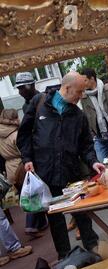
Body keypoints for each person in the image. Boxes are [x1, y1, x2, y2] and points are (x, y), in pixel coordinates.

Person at [17, 72, 106, 260]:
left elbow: (86, 145)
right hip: (45, 173)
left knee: (81, 213)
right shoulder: (39, 104)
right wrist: (27, 159)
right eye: (79, 92)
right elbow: (23, 135)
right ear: (66, 88)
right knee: (56, 220)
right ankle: (64, 257)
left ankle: (92, 247)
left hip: (72, 173)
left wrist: (93, 161)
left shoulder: (78, 115)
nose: (82, 96)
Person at [13, 72, 48, 235]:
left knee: (39, 187)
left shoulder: (43, 99)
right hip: (34, 154)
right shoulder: (26, 105)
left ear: (31, 85)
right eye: (18, 88)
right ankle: (36, 222)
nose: (20, 92)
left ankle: (35, 222)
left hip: (44, 152)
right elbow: (26, 132)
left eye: (22, 88)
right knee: (36, 187)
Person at [79, 68, 108, 163]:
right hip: (98, 138)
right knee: (104, 168)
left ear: (92, 79)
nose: (83, 83)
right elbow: (86, 117)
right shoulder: (84, 97)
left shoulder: (107, 90)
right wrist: (93, 136)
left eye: (85, 80)